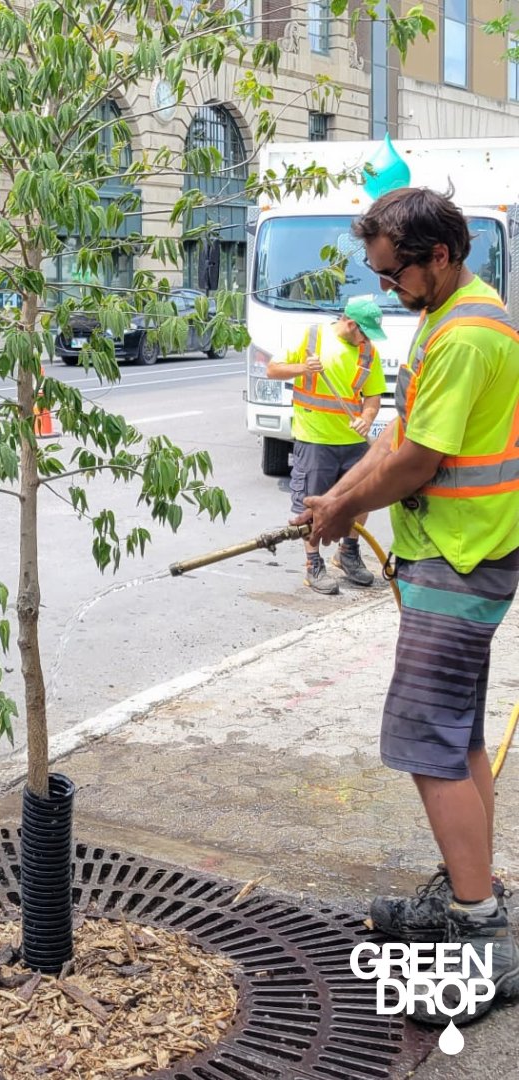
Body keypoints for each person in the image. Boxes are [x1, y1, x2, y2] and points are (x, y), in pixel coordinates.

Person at [296, 187, 519, 1022]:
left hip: (462, 560)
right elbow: (393, 437)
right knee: (456, 737)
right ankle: (471, 891)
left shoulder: (465, 334)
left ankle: (480, 937)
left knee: (425, 742)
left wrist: (347, 508)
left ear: (440, 256)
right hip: (456, 555)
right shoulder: (453, 315)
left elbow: (420, 457)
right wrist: (335, 501)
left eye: (398, 276)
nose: (389, 291)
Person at [265, 297, 387, 594]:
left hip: (353, 441)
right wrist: (302, 367)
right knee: (314, 504)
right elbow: (272, 370)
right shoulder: (312, 338)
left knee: (361, 499)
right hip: (315, 439)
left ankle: (347, 553)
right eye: (365, 332)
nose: (367, 339)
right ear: (350, 324)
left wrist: (367, 418)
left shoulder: (369, 352)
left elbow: (372, 396)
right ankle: (312, 563)